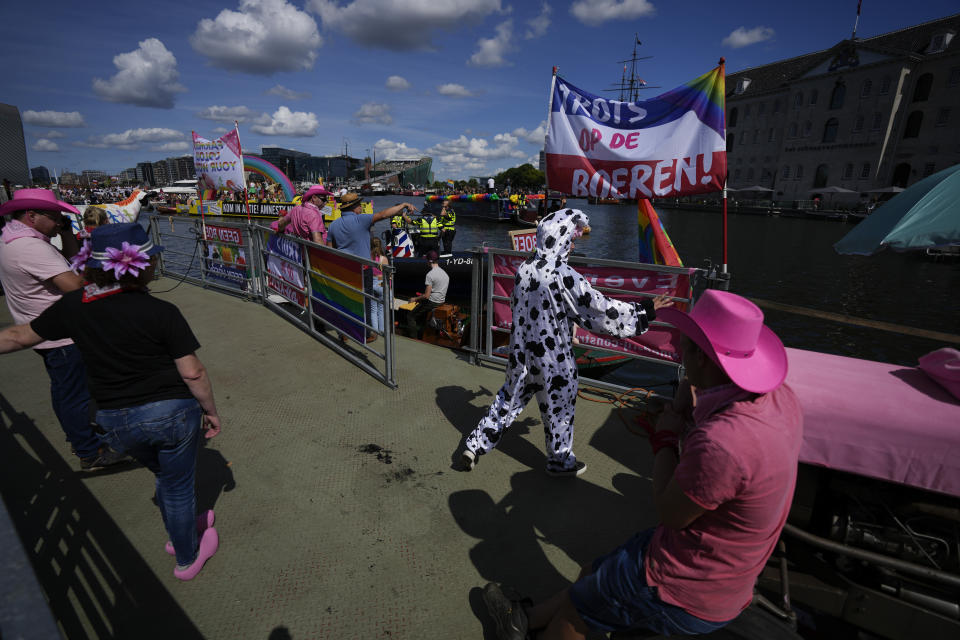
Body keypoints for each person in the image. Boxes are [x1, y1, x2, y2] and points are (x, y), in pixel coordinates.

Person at [481, 289, 803, 640]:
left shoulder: (724, 443)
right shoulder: (781, 399)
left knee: (578, 614)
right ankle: (523, 621)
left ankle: (544, 625)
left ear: (704, 361)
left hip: (687, 585)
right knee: (592, 572)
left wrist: (665, 438)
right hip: (724, 565)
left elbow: (670, 512)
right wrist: (687, 400)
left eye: (688, 345)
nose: (680, 351)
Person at [0, 223, 224, 581]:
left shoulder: (74, 306)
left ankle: (183, 529)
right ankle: (187, 556)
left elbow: (18, 336)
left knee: (164, 477)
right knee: (178, 485)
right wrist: (211, 412)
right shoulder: (162, 311)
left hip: (114, 420)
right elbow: (193, 372)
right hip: (171, 413)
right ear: (139, 266)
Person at [459, 208, 670, 477]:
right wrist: (644, 311)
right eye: (570, 239)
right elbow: (600, 311)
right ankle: (559, 460)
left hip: (522, 352)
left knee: (507, 400)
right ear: (559, 239)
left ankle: (474, 446)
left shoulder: (524, 268)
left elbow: (516, 304)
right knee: (559, 408)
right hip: (552, 358)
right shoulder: (562, 274)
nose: (572, 244)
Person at [0, 188, 128, 471]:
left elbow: (70, 262)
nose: (59, 220)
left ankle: (78, 437)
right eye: (54, 215)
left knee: (64, 391)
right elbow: (77, 287)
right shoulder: (31, 248)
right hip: (61, 334)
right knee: (75, 394)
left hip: (42, 329)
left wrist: (67, 233)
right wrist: (122, 288)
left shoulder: (16, 240)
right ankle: (89, 451)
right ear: (31, 216)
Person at [405, 250, 448, 339]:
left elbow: (427, 296)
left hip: (433, 302)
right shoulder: (445, 274)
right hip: (441, 300)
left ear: (429, 261)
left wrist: (415, 299)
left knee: (410, 316)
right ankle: (422, 331)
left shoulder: (430, 275)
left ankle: (414, 339)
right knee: (421, 308)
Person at [368, 238, 390, 337]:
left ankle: (374, 332)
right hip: (381, 283)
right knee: (381, 309)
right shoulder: (384, 259)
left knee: (373, 310)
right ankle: (382, 331)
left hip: (371, 282)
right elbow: (388, 275)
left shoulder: (368, 257)